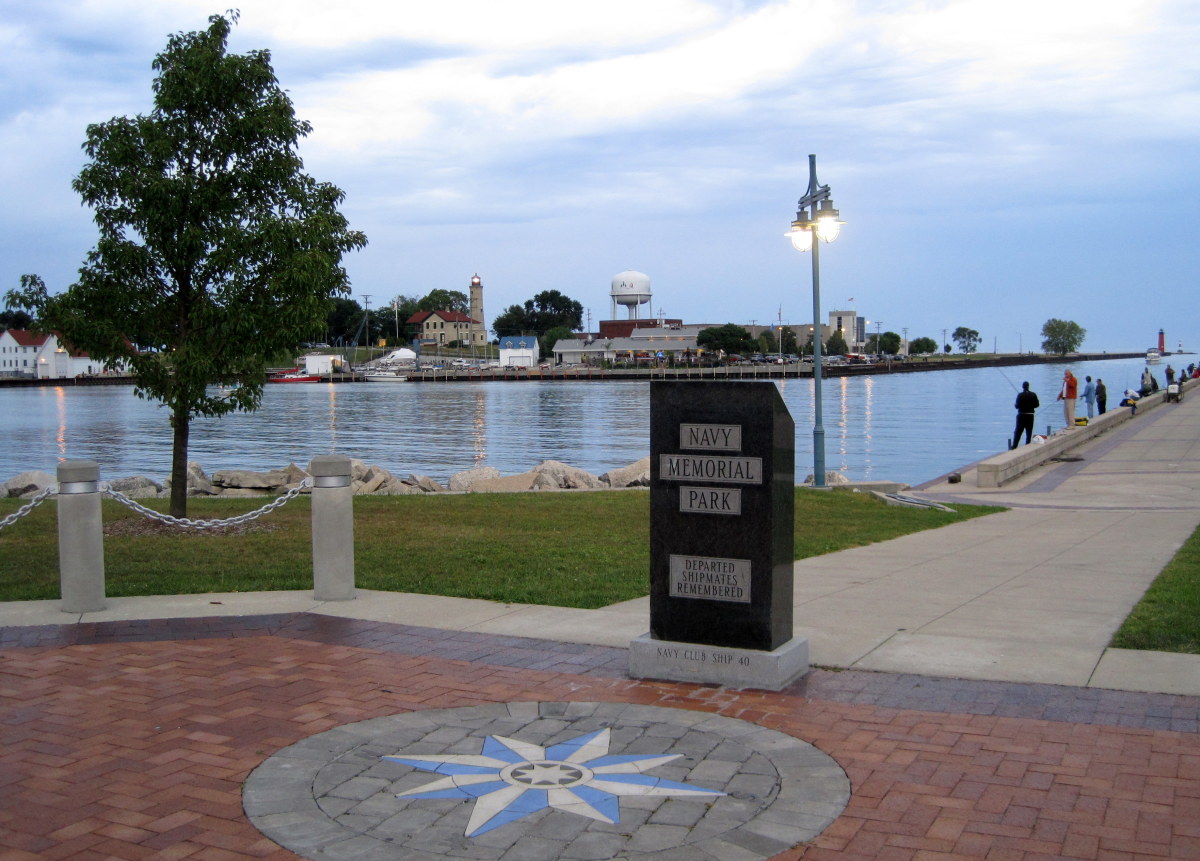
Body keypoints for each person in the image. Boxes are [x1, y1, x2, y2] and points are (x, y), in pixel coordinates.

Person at [1011, 381, 1039, 449]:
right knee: (1029, 432)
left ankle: (1014, 446)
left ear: (1023, 387)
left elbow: (1017, 406)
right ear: (1028, 386)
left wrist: (1016, 405)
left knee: (1018, 432)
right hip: (1030, 415)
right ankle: (1027, 446)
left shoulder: (1020, 395)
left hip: (1021, 416)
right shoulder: (1033, 394)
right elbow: (1037, 405)